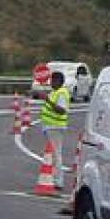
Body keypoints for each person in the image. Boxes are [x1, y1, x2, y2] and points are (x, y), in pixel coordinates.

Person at [40, 69, 74, 197]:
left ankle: (58, 180)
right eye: (51, 80)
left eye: (53, 80)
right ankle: (53, 178)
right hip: (50, 126)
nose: (51, 82)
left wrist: (48, 101)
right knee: (53, 154)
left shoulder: (61, 93)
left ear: (59, 81)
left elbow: (61, 110)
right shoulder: (55, 92)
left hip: (55, 126)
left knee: (55, 154)